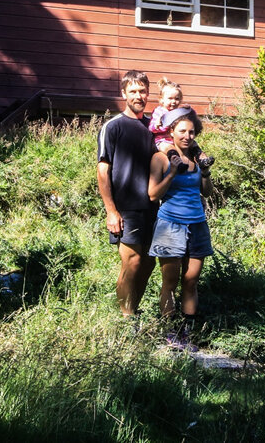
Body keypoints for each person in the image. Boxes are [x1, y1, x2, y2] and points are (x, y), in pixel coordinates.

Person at [147, 106, 214, 350]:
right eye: (182, 131)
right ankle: (169, 332)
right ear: (172, 132)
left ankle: (188, 332)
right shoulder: (161, 158)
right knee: (170, 283)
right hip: (170, 225)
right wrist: (172, 172)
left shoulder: (197, 158)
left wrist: (205, 173)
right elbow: (153, 194)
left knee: (192, 281)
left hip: (197, 225)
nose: (188, 136)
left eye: (192, 131)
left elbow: (205, 192)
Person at [98, 70, 158, 318]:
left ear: (147, 93)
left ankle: (134, 309)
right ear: (123, 94)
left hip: (154, 207)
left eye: (142, 91)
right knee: (131, 262)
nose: (138, 95)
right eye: (133, 91)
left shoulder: (155, 126)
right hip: (126, 209)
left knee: (148, 263)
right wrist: (111, 211)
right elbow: (103, 171)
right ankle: (125, 318)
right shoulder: (112, 127)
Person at [148, 78, 214, 172]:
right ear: (162, 99)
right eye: (170, 99)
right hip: (163, 140)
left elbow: (192, 121)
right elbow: (151, 128)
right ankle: (179, 164)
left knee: (194, 144)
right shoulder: (159, 112)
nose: (174, 102)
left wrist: (189, 110)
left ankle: (202, 159)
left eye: (177, 99)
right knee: (169, 148)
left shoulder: (179, 112)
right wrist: (157, 125)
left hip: (178, 140)